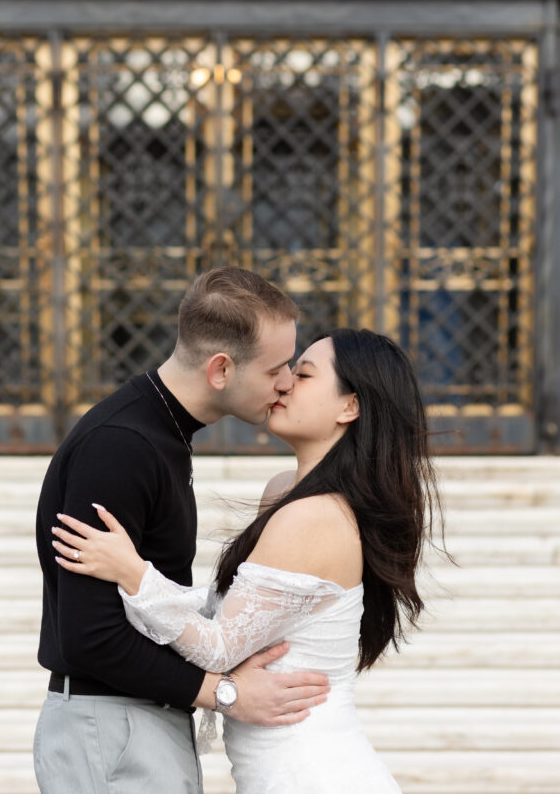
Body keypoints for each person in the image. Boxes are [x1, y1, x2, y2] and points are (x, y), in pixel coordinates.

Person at [51, 327, 442, 793]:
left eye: (304, 374)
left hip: (313, 772)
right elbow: (227, 620)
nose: (285, 384)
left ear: (349, 406)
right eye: (285, 371)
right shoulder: (285, 491)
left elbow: (218, 648)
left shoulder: (316, 516)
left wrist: (133, 573)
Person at [34, 267, 332, 794]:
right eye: (276, 370)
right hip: (113, 729)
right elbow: (89, 638)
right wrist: (225, 693)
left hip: (131, 725)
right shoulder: (121, 447)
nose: (286, 383)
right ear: (221, 369)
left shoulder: (159, 434)